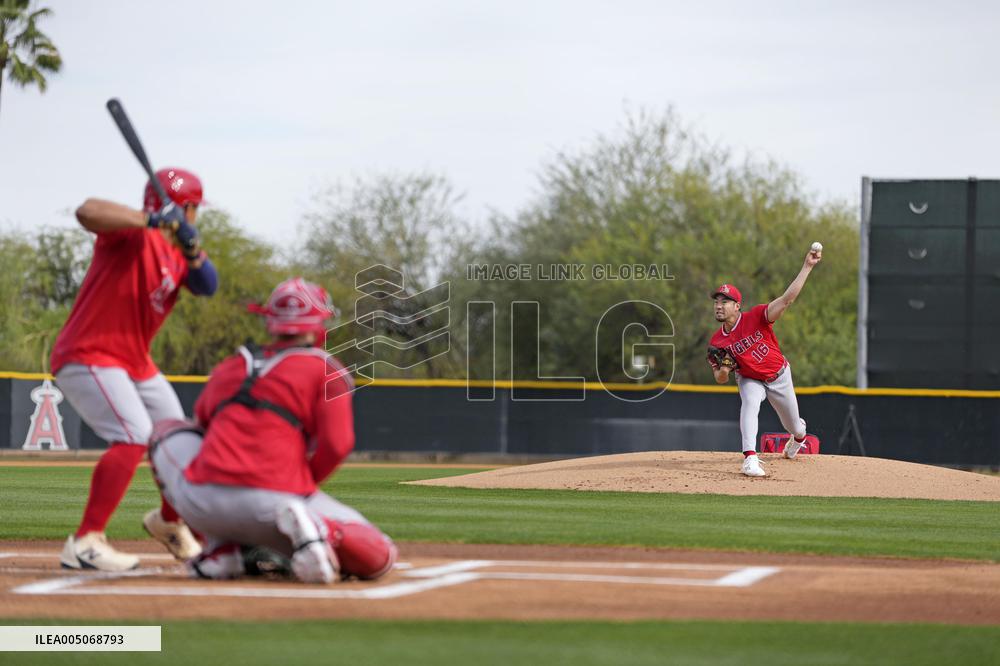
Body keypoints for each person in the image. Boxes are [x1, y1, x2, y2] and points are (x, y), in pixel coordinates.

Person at [147, 278, 397, 583]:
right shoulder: (326, 367)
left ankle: (219, 548)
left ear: (271, 321)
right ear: (318, 323)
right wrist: (301, 487)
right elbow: (337, 445)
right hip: (273, 506)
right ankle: (319, 532)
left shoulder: (232, 365)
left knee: (166, 430)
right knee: (381, 556)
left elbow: (202, 428)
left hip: (201, 501)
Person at [55, 168, 218, 571]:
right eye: (195, 211)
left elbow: (208, 284)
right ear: (189, 206)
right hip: (90, 353)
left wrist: (194, 249)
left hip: (134, 363)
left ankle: (168, 520)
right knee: (133, 437)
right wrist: (152, 219)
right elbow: (87, 211)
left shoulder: (177, 253)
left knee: (179, 441)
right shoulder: (131, 233)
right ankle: (85, 541)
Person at [707, 245, 822, 477]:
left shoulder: (757, 317)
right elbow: (720, 378)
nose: (719, 305)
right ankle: (750, 458)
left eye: (725, 302)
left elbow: (787, 300)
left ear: (737, 306)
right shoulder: (718, 341)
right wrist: (726, 368)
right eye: (717, 302)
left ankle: (798, 438)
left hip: (779, 375)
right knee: (749, 403)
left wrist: (807, 267)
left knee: (795, 427)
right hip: (750, 378)